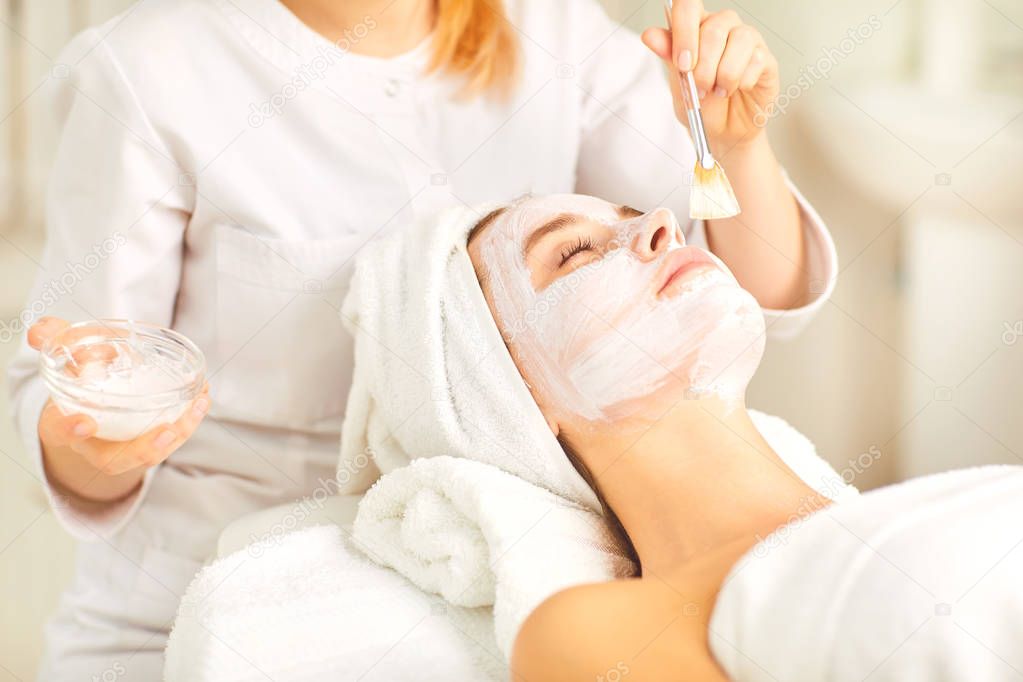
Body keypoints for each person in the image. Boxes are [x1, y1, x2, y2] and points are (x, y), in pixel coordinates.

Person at [8, 0, 833, 677]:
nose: (649, 232)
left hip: (465, 587)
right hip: (190, 606)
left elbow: (744, 291)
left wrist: (733, 146)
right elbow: (74, 392)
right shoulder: (151, 70)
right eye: (578, 247)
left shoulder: (550, 30)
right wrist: (98, 432)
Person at [448, 193, 1022, 681]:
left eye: (635, 215)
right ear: (510, 394)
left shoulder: (921, 508)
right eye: (574, 252)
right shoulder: (589, 631)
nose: (662, 224)